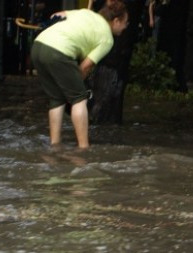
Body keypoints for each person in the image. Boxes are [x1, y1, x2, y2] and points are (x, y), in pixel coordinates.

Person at [30, 1, 128, 148]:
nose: (126, 26)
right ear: (116, 21)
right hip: (59, 52)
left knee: (57, 99)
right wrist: (75, 86)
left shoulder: (86, 13)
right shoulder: (107, 39)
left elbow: (56, 15)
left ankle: (55, 145)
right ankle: (84, 148)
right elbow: (86, 66)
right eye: (126, 22)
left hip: (38, 46)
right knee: (78, 98)